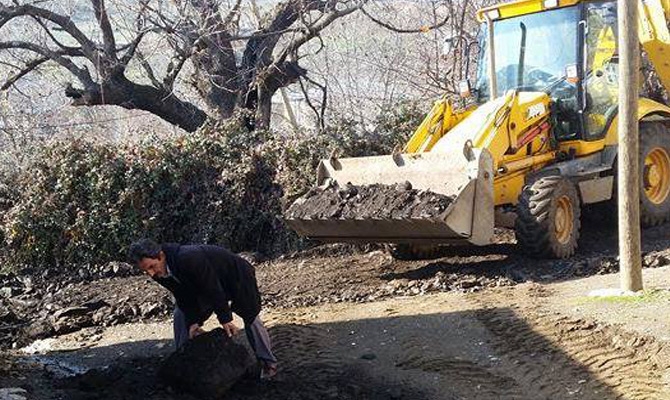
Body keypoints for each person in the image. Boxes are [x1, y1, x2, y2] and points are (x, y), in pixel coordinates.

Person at [128, 239, 278, 379]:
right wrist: (194, 321)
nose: (151, 274)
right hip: (202, 285)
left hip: (237, 277)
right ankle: (183, 359)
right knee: (181, 314)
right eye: (145, 270)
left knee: (251, 316)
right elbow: (182, 295)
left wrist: (225, 319)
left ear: (161, 255)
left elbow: (213, 288)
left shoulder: (188, 258)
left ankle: (268, 363)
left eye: (151, 267)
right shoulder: (158, 272)